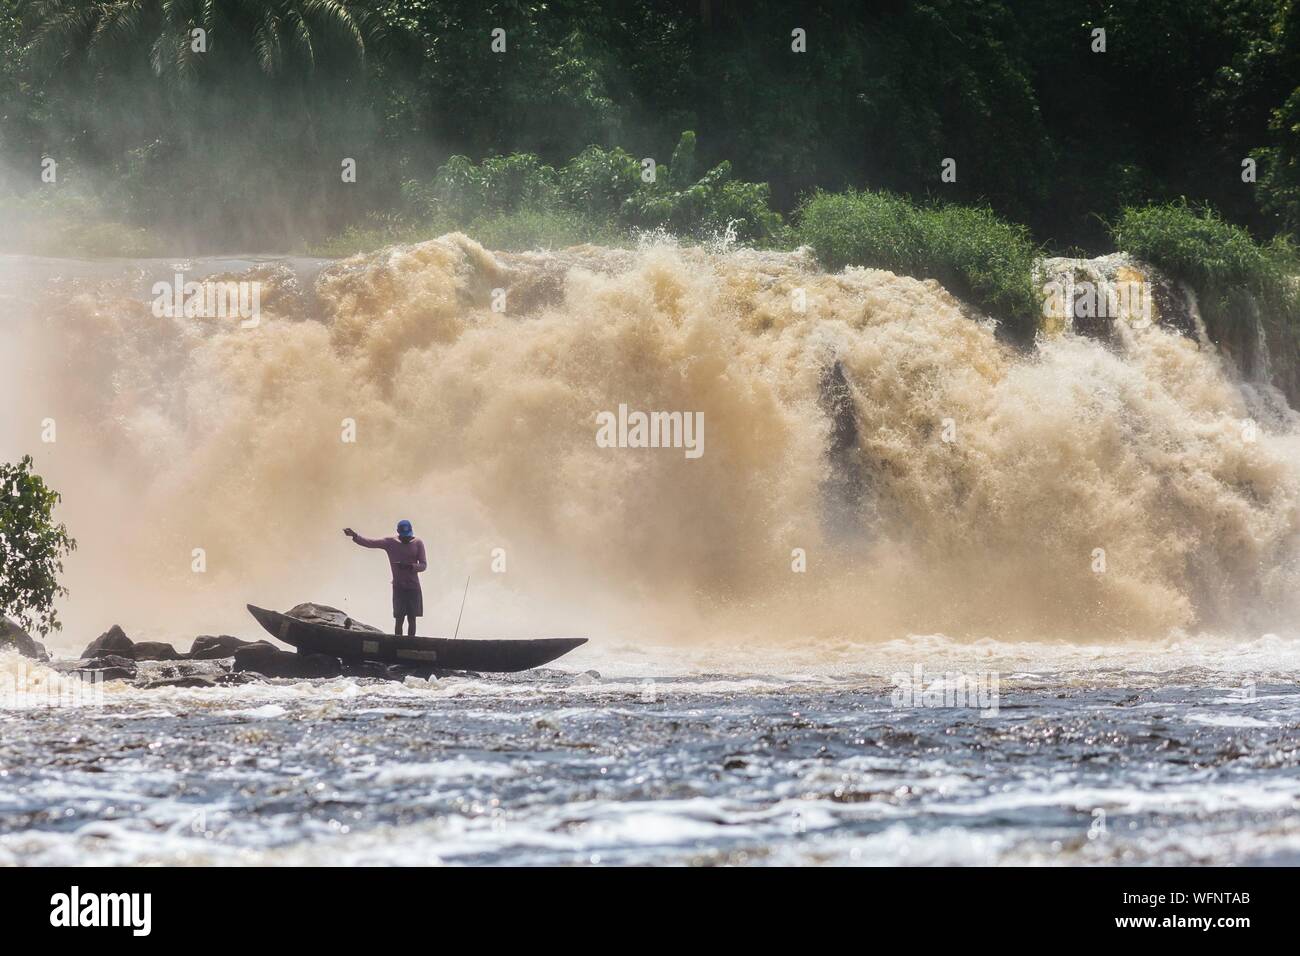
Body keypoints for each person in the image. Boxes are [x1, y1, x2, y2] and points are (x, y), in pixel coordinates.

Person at [344, 520, 428, 636]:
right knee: (399, 619)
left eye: (407, 537)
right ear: (398, 533)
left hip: (413, 587)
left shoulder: (418, 543)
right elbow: (371, 543)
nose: (405, 539)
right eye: (403, 537)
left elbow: (424, 565)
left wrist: (410, 566)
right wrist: (355, 536)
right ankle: (398, 644)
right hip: (398, 587)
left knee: (412, 619)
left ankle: (410, 645)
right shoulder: (390, 542)